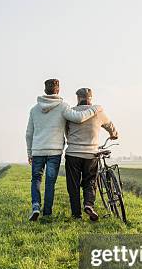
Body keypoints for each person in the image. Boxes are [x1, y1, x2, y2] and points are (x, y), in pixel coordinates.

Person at [26, 79, 101, 221]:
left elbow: (29, 133)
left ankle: (36, 207)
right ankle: (47, 213)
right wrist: (95, 108)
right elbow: (79, 118)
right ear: (58, 90)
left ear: (45, 90)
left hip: (37, 150)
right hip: (54, 152)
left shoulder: (34, 110)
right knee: (50, 182)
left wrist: (30, 152)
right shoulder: (62, 107)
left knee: (36, 179)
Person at [65, 87, 118, 221]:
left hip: (73, 154)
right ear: (91, 98)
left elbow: (66, 130)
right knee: (90, 181)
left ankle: (76, 215)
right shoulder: (98, 112)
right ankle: (89, 205)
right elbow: (110, 125)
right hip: (91, 154)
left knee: (73, 185)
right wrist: (113, 134)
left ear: (78, 98)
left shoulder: (70, 113)